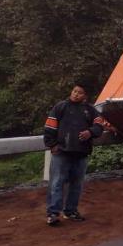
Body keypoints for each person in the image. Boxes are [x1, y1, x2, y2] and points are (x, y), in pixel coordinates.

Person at [44, 82, 104, 226]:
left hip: (81, 153)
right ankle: (53, 213)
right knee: (57, 182)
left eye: (80, 92)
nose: (76, 94)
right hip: (61, 152)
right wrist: (52, 145)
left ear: (85, 96)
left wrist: (90, 132)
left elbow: (99, 125)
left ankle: (70, 211)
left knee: (76, 184)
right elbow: (50, 126)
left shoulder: (90, 110)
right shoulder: (61, 107)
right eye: (74, 91)